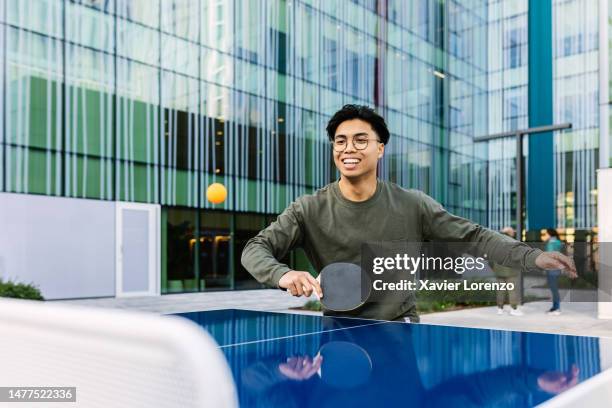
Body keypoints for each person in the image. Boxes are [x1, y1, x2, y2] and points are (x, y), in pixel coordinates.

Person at [241, 104, 577, 322]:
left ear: (380, 148)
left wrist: (532, 257)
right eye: (340, 141)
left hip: (402, 331)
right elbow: (255, 248)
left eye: (360, 139)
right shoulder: (307, 208)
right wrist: (283, 275)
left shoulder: (414, 204)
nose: (349, 149)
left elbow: (474, 237)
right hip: (338, 332)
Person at [491, 227, 523, 316]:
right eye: (513, 231)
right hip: (511, 271)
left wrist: (494, 268)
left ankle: (500, 309)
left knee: (500, 290)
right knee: (512, 290)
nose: (514, 233)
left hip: (498, 271)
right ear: (509, 233)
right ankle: (513, 309)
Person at [542, 228, 567, 315]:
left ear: (550, 234)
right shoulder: (558, 242)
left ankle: (557, 309)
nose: (545, 235)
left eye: (546, 233)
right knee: (553, 288)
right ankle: (555, 307)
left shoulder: (551, 243)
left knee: (554, 289)